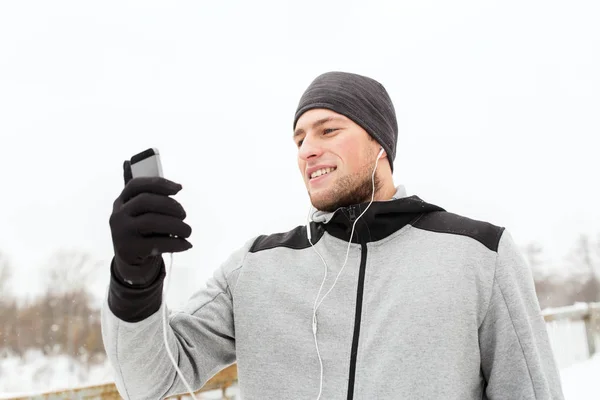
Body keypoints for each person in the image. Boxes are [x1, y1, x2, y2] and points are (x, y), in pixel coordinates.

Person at [101, 71, 565, 399]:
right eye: (299, 137)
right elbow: (150, 381)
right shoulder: (255, 268)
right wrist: (133, 274)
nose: (308, 149)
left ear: (380, 143)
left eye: (329, 129)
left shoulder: (479, 255)